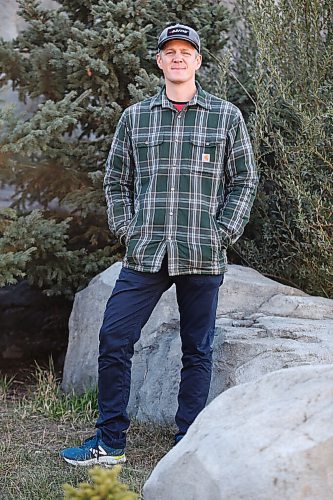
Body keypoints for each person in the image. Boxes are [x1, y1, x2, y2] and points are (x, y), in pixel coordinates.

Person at [60, 23, 258, 466]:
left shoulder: (225, 116)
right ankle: (109, 443)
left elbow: (244, 179)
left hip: (202, 253)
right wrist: (127, 227)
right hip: (146, 251)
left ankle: (187, 441)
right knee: (113, 337)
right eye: (170, 51)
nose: (178, 58)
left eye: (186, 52)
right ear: (160, 61)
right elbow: (116, 180)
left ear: (198, 61)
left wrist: (222, 232)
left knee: (198, 348)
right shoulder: (136, 117)